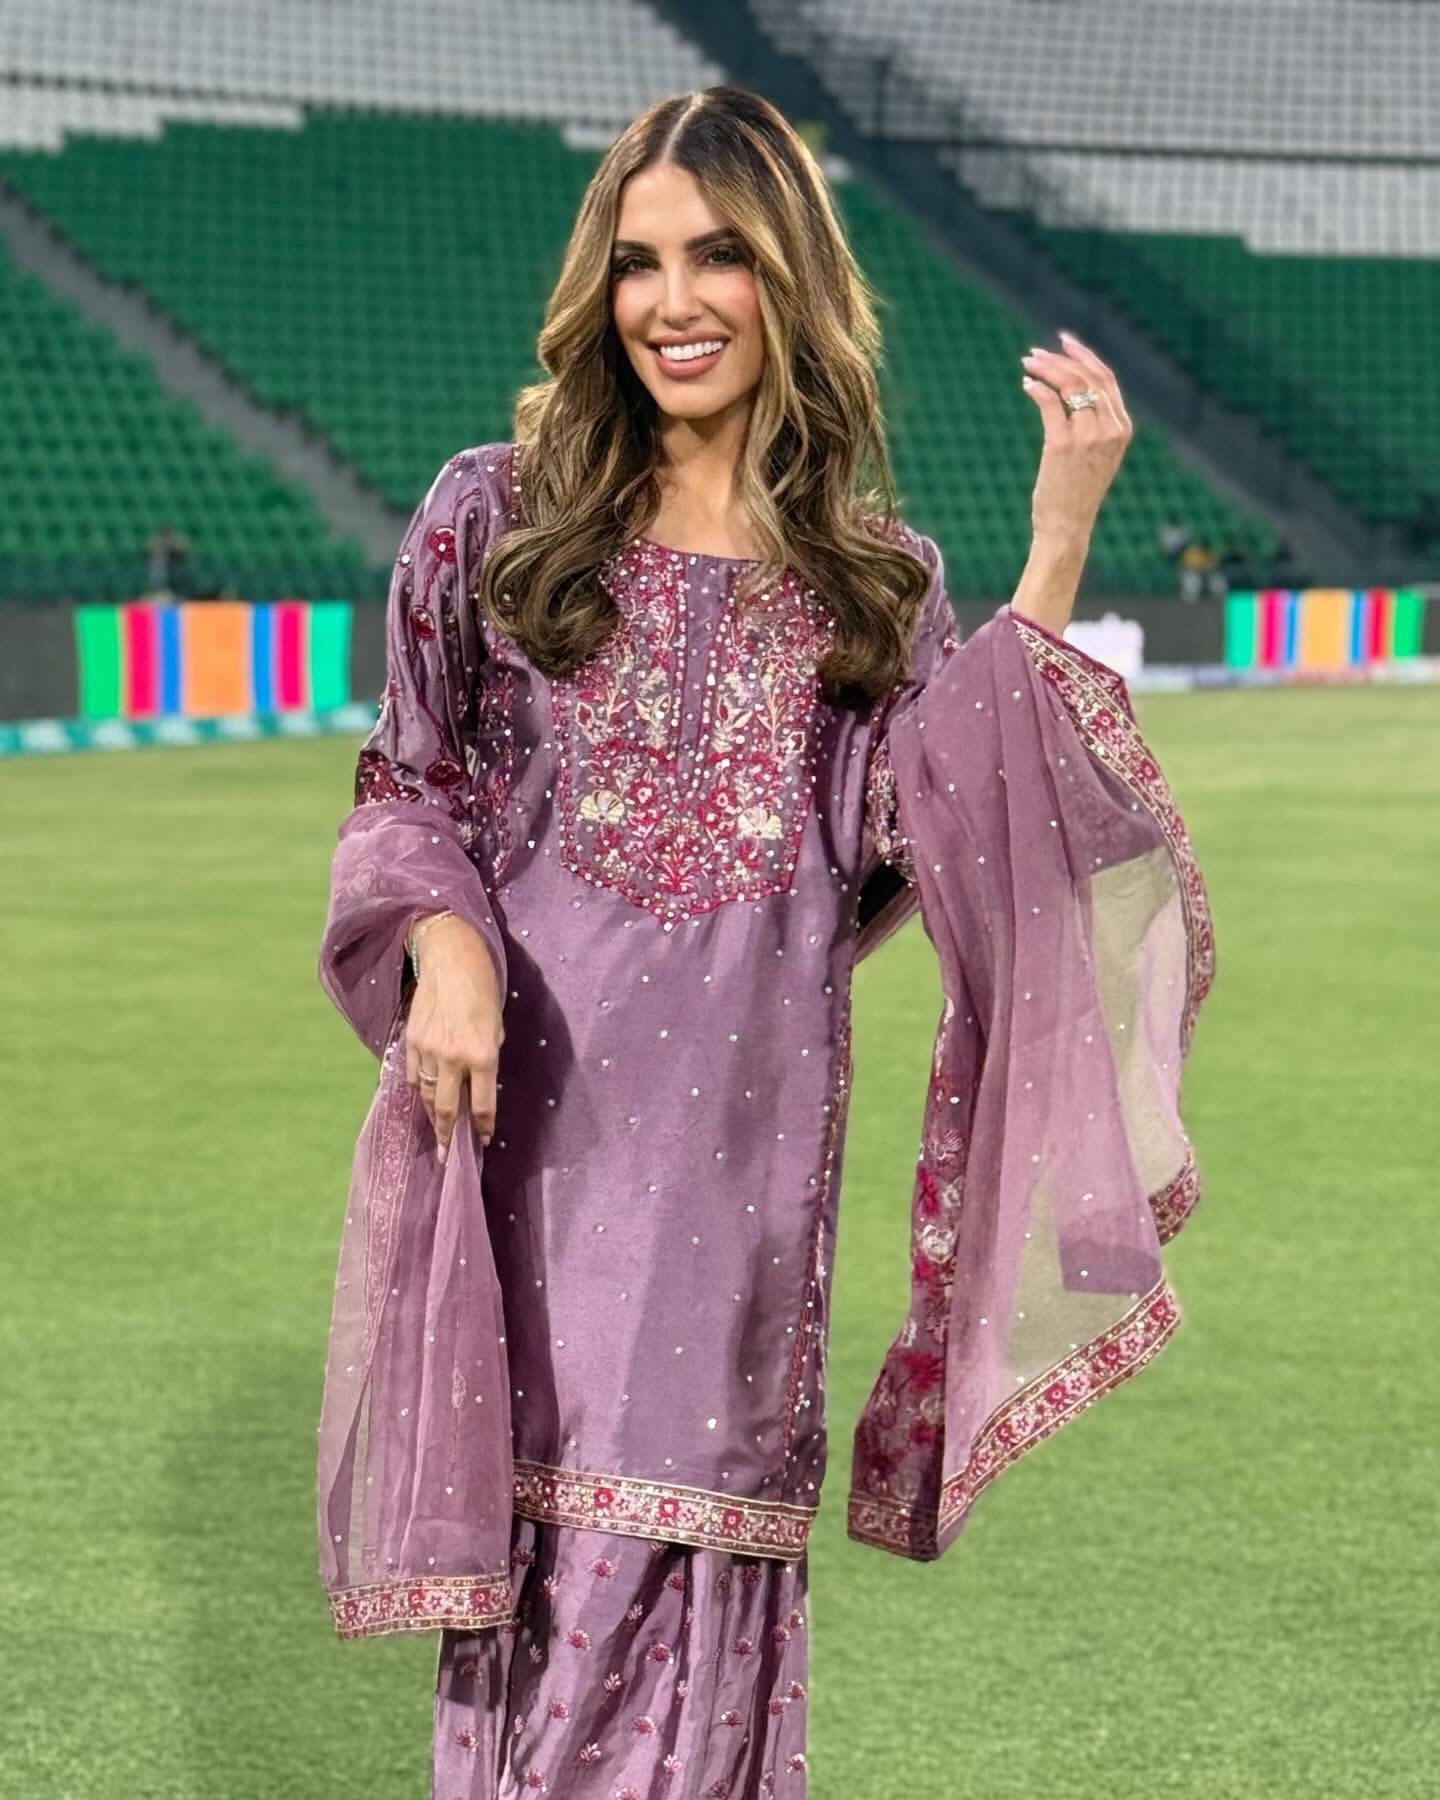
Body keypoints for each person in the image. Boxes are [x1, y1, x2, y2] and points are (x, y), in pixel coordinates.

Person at [314, 86, 1216, 1800]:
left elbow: (946, 841)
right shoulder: (493, 521)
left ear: (788, 276)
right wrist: (445, 939)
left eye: (719, 256)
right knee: (545, 1668)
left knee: (701, 1676)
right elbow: (407, 780)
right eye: (639, 262)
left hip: (737, 1208)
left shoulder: (877, 586)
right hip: (524, 1181)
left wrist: (1059, 541)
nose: (674, 302)